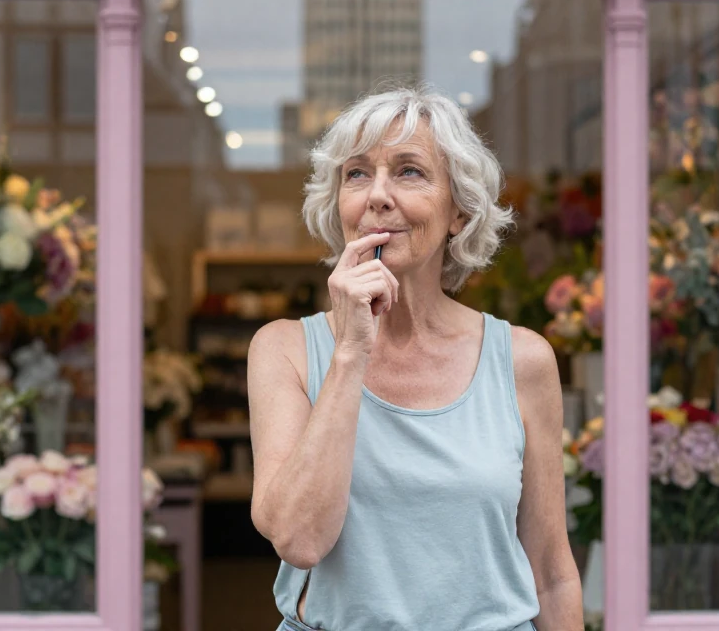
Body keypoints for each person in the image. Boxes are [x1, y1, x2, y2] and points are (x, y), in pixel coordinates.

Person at [247, 84, 583, 631]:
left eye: (409, 171)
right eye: (357, 174)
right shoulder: (283, 349)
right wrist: (351, 351)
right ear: (339, 204)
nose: (377, 195)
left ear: (459, 211)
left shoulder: (523, 360)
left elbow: (551, 573)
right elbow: (299, 538)